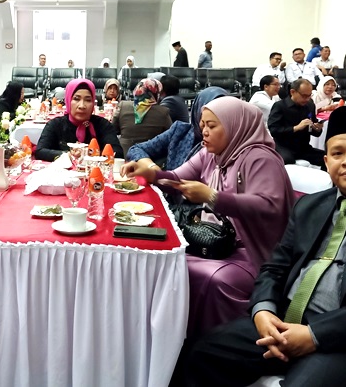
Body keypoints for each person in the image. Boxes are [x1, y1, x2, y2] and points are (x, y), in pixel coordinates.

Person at [179, 106, 346, 387]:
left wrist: (314, 334)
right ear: (327, 162)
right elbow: (274, 266)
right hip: (285, 322)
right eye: (338, 154)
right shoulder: (310, 206)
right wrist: (263, 311)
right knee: (201, 353)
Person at [122, 97, 293, 338]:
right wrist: (152, 175)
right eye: (202, 125)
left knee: (211, 278)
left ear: (235, 126)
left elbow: (268, 205)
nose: (204, 131)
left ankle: (218, 339)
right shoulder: (211, 154)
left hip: (253, 250)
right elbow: (177, 178)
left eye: (212, 126)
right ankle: (173, 338)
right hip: (216, 242)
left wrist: (213, 197)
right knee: (168, 264)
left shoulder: (260, 158)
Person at [127, 87, 227, 171]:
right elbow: (136, 149)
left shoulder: (230, 148)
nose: (206, 131)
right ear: (198, 112)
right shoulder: (180, 131)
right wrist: (152, 167)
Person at [35, 79, 122, 162]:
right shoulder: (55, 125)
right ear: (68, 100)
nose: (82, 106)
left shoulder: (103, 125)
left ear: (93, 103)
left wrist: (89, 154)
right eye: (76, 99)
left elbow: (118, 153)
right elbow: (40, 151)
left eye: (88, 100)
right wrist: (67, 155)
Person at [268, 79, 326, 168]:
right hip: (284, 146)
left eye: (309, 95)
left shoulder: (310, 105)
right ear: (293, 92)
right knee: (288, 160)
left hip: (303, 147)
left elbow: (313, 131)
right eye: (304, 96)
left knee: (327, 158)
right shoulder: (280, 106)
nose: (307, 99)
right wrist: (296, 128)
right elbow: (274, 130)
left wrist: (317, 129)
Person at [113, 78, 172, 155]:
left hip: (124, 154)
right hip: (149, 156)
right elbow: (170, 136)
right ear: (156, 93)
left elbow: (113, 129)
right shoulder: (163, 112)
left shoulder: (123, 106)